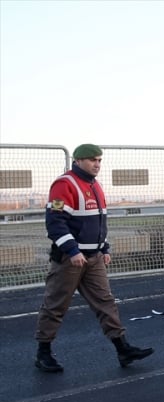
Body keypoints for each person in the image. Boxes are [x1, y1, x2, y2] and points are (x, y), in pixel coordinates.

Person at [34, 144, 154, 372]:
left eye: (99, 160)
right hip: (70, 259)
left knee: (106, 303)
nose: (97, 164)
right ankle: (43, 353)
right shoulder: (65, 184)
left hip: (94, 257)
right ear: (78, 161)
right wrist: (72, 250)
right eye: (92, 160)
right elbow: (55, 223)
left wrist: (104, 248)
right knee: (55, 305)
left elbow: (98, 223)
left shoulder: (95, 185)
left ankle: (122, 349)